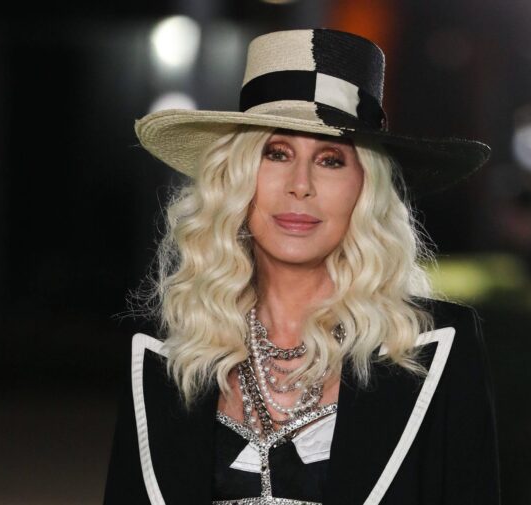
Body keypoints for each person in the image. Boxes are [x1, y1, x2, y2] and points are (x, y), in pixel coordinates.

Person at [104, 28, 499, 504]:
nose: (300, 185)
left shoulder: (435, 349)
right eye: (277, 153)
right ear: (236, 177)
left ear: (365, 188)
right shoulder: (167, 353)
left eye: (330, 160)